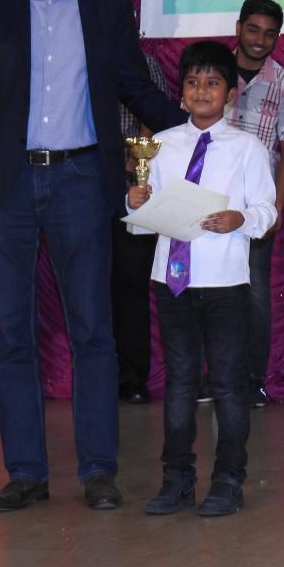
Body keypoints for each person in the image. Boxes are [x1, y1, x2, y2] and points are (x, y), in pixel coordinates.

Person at [0, 0, 187, 513]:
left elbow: (133, 83)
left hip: (82, 180)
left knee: (92, 330)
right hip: (5, 187)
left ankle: (98, 470)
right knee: (13, 335)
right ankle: (26, 472)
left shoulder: (107, 2)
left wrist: (195, 130)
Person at [128, 41, 276, 517]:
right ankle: (176, 479)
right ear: (182, 91)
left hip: (224, 281)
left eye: (213, 82)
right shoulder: (162, 145)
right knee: (179, 382)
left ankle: (229, 480)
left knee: (228, 384)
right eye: (193, 82)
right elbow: (143, 222)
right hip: (171, 280)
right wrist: (135, 202)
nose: (201, 90)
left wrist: (241, 219)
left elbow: (267, 210)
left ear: (230, 94)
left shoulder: (247, 148)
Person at [226, 0, 284, 406]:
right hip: (209, 198)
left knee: (255, 292)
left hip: (256, 204)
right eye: (253, 30)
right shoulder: (212, 73)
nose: (260, 40)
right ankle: (213, 377)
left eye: (270, 34)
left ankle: (251, 380)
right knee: (206, 290)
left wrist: (275, 208)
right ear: (238, 28)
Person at [113, 53, 174, 405]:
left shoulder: (146, 64)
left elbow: (156, 115)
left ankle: (133, 377)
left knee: (132, 282)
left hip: (136, 181)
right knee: (92, 282)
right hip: (86, 180)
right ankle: (101, 374)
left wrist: (134, 159)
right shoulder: (79, 55)